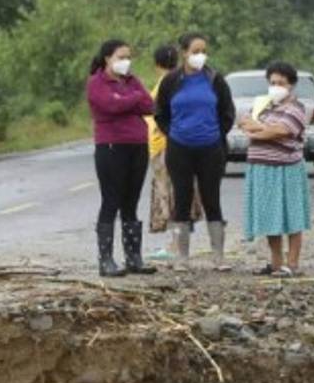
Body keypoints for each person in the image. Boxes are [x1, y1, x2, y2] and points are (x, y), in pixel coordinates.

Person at [154, 32, 236, 271]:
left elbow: (227, 112)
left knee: (212, 199)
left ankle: (218, 256)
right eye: (195, 51)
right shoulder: (171, 81)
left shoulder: (215, 80)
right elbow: (160, 112)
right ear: (184, 53)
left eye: (203, 51)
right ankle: (182, 257)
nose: (200, 56)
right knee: (181, 200)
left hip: (210, 147)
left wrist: (215, 133)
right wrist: (174, 131)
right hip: (180, 148)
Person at [86, 38, 156, 277]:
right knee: (111, 200)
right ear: (107, 58)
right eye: (121, 57)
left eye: (128, 57)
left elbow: (150, 106)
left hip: (137, 145)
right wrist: (133, 99)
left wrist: (130, 99)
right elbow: (109, 106)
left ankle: (134, 257)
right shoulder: (97, 82)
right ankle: (105, 259)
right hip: (111, 146)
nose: (126, 62)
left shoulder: (132, 81)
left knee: (131, 202)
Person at [239, 62, 312, 276]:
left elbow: (281, 131)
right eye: (272, 83)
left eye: (281, 83)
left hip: (286, 170)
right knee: (271, 218)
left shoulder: (296, 108)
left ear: (291, 85)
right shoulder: (263, 105)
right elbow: (244, 123)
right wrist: (262, 130)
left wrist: (259, 129)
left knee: (292, 216)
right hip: (261, 169)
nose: (276, 87)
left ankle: (292, 264)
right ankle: (276, 263)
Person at [145, 44, 203, 259]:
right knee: (177, 193)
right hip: (177, 143)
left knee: (170, 194)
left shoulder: (165, 84)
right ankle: (177, 244)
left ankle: (176, 246)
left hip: (166, 145)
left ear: (156, 64)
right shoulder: (183, 81)